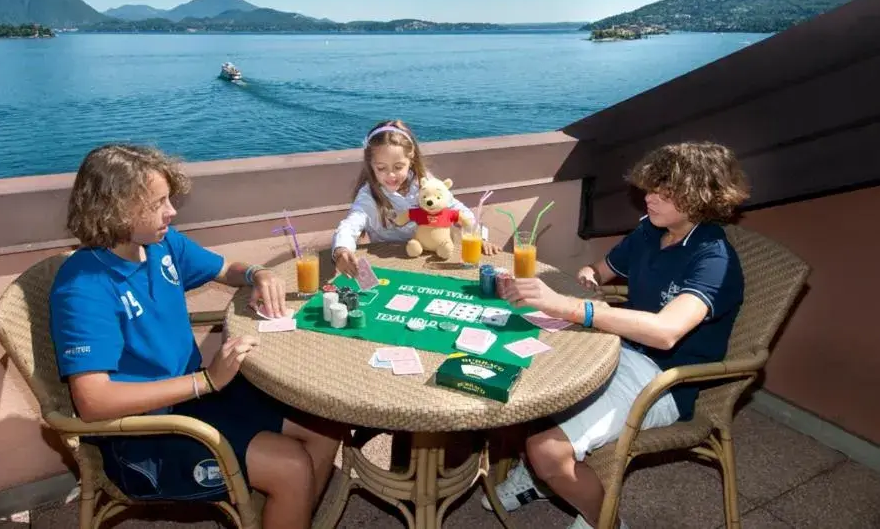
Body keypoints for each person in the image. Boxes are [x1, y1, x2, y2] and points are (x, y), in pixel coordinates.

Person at [49, 144, 342, 529]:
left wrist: (258, 274)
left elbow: (226, 269)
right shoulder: (84, 287)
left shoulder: (161, 246)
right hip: (142, 437)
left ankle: (290, 515)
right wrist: (205, 381)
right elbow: (93, 401)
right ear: (116, 209)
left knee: (326, 428)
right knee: (291, 467)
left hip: (196, 399)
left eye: (168, 198)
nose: (171, 211)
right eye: (158, 203)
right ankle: (289, 496)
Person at [485, 141, 750, 529]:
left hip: (663, 379)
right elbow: (601, 269)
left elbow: (665, 333)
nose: (649, 199)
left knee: (546, 449)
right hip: (616, 348)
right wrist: (590, 277)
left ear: (698, 199)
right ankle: (543, 481)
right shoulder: (650, 231)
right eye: (650, 188)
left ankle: (602, 521)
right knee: (514, 373)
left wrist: (573, 308)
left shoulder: (714, 261)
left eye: (664, 193)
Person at [332, 119, 499, 276]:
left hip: (430, 259)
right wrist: (341, 250)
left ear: (410, 158)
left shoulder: (425, 184)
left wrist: (479, 237)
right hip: (388, 263)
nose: (391, 175)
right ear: (371, 164)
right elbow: (350, 225)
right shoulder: (368, 195)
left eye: (398, 167)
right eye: (381, 168)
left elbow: (458, 209)